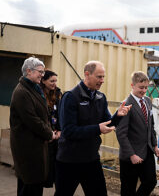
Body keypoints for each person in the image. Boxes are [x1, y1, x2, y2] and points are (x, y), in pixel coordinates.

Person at [55, 60, 132, 196]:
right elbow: (68, 131)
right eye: (99, 76)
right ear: (87, 74)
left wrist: (118, 116)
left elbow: (107, 123)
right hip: (69, 160)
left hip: (91, 158)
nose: (102, 80)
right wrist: (97, 129)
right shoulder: (70, 97)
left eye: (103, 77)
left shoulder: (100, 97)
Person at [10, 57, 57, 196]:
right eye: (40, 72)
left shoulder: (34, 88)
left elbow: (43, 114)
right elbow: (33, 120)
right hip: (28, 149)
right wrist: (50, 134)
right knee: (30, 186)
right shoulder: (22, 92)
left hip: (35, 146)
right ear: (29, 71)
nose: (42, 75)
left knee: (31, 185)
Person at [116, 71, 159, 196]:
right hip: (131, 155)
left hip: (147, 151)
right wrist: (132, 155)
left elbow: (150, 126)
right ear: (132, 85)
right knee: (128, 189)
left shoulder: (147, 101)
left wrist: (155, 145)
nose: (144, 90)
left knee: (151, 182)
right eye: (141, 87)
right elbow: (121, 134)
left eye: (146, 87)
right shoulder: (125, 105)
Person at [40, 70, 62, 188]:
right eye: (51, 81)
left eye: (56, 81)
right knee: (46, 161)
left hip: (57, 133)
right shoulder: (38, 94)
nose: (55, 84)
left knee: (57, 161)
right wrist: (49, 132)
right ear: (43, 81)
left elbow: (61, 113)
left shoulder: (58, 93)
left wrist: (59, 130)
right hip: (46, 133)